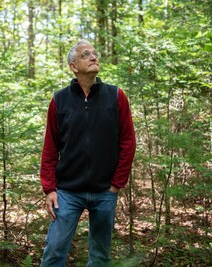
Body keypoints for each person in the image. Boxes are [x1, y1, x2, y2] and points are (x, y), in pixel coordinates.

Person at [39, 40, 136, 267]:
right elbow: (50, 147)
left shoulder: (116, 96)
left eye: (95, 53)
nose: (94, 57)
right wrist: (49, 188)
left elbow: (128, 142)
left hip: (105, 191)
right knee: (54, 251)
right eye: (86, 54)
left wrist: (116, 184)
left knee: (100, 256)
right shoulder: (59, 100)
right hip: (67, 192)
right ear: (74, 66)